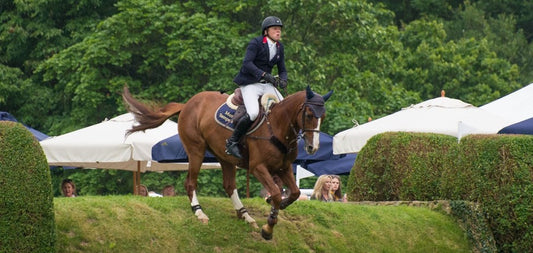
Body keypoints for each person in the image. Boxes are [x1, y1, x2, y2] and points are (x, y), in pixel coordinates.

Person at [225, 16, 288, 159]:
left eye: (279, 29)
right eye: (275, 29)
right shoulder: (256, 43)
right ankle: (232, 142)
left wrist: (283, 80)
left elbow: (282, 69)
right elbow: (247, 63)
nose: (278, 31)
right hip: (250, 83)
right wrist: (264, 74)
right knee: (253, 113)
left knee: (284, 110)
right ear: (266, 31)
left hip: (266, 85)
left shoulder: (279, 47)